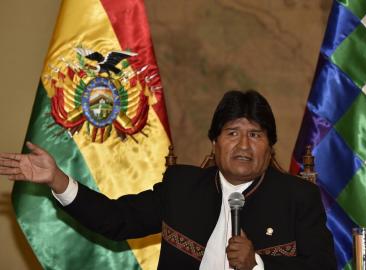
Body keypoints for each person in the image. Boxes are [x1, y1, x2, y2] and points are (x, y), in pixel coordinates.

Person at [0, 90, 337, 269]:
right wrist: (58, 180)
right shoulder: (182, 187)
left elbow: (322, 268)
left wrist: (258, 264)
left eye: (256, 134)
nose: (244, 145)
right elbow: (116, 220)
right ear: (215, 143)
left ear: (269, 147)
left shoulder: (297, 198)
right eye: (232, 132)